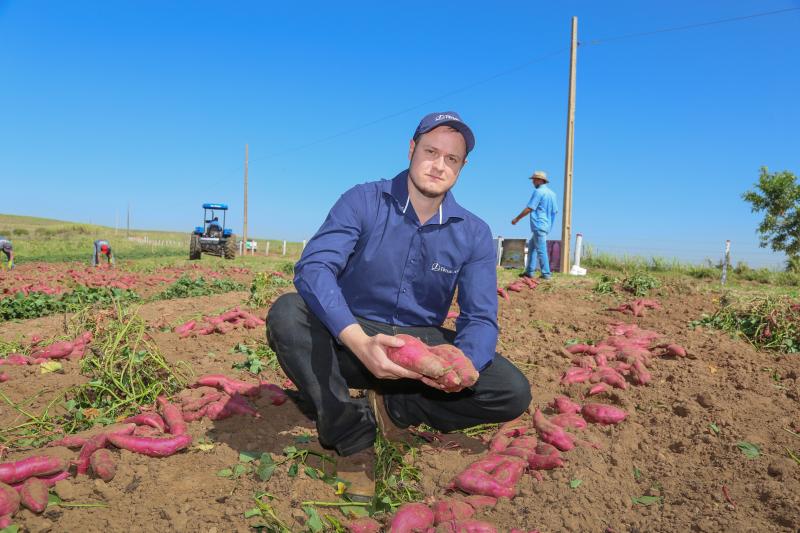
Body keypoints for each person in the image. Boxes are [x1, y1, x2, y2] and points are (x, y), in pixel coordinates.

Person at [266, 111, 532, 499]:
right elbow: (315, 267)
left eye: (451, 159)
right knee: (288, 313)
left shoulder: (473, 233)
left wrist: (466, 364)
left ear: (462, 167)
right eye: (430, 151)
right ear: (411, 149)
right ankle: (352, 439)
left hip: (419, 352)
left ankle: (396, 410)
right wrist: (359, 342)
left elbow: (480, 317)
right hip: (349, 339)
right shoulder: (363, 200)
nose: (439, 165)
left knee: (510, 390)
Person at [511, 170, 558, 280]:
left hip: (538, 224)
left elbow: (530, 208)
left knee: (541, 250)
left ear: (540, 180)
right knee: (532, 247)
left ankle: (546, 274)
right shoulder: (553, 194)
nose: (533, 182)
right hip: (546, 224)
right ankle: (529, 271)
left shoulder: (538, 192)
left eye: (534, 180)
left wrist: (516, 219)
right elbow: (554, 212)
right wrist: (549, 226)